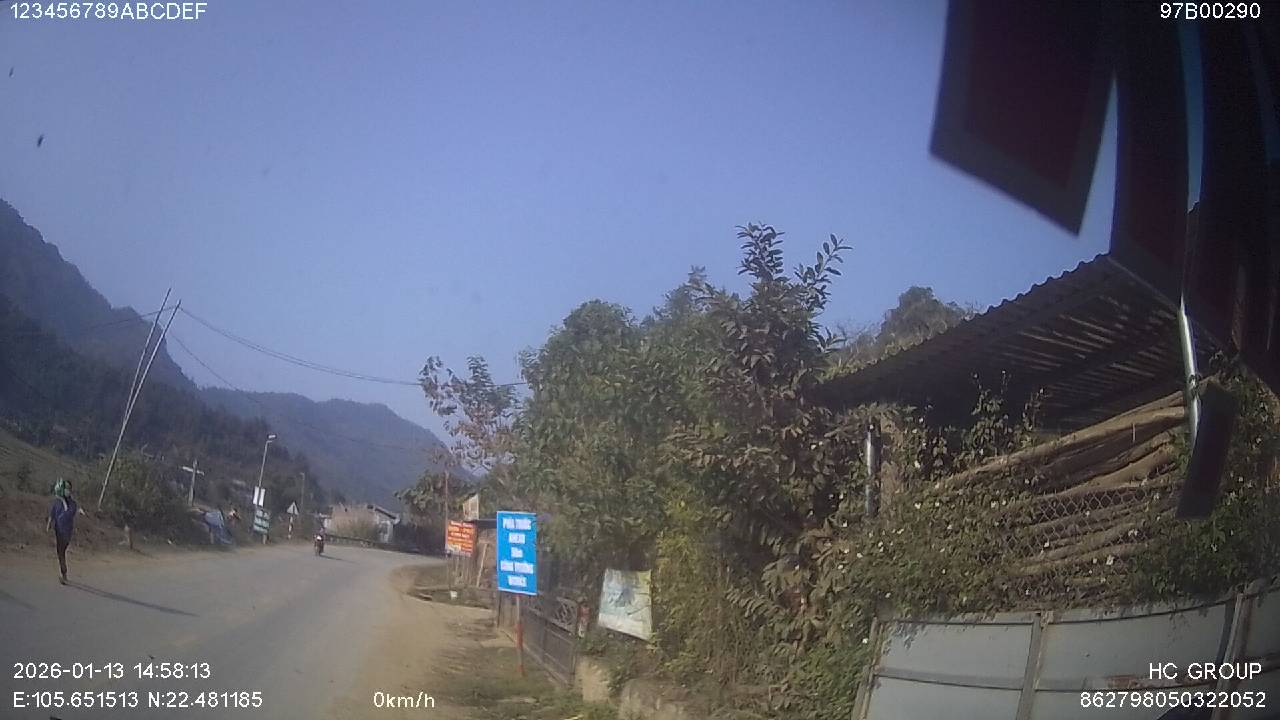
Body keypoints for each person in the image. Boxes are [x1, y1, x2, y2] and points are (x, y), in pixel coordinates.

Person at [45, 478, 78, 585]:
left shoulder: (72, 504)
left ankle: (64, 574)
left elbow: (68, 514)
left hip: (66, 533)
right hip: (58, 531)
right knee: (60, 553)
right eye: (65, 488)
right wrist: (49, 525)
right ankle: (64, 575)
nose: (66, 490)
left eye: (68, 488)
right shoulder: (56, 502)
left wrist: (63, 501)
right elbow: (52, 513)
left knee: (61, 552)